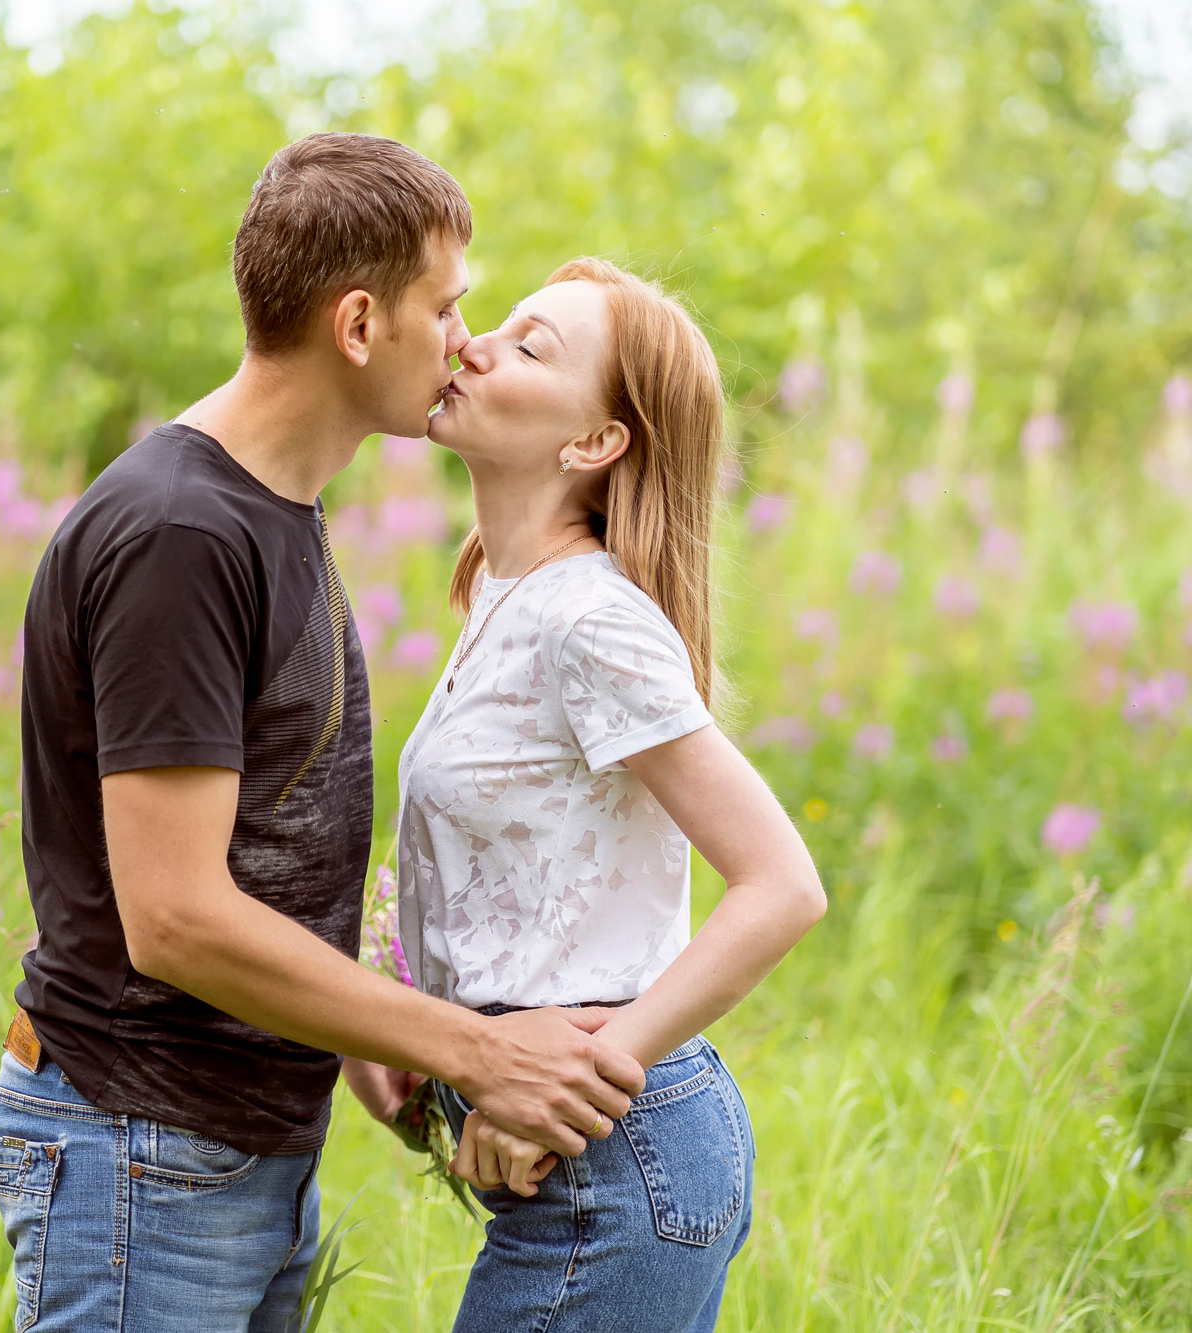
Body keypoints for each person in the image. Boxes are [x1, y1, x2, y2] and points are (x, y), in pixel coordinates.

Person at [0, 136, 647, 1333]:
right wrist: (472, 1051)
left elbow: (263, 835)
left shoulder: (270, 507)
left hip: (228, 1152)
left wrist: (352, 1037)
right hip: (142, 1155)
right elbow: (174, 916)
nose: (464, 341)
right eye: (444, 308)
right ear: (357, 325)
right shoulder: (183, 536)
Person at [345, 258, 828, 1331]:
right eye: (497, 322)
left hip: (618, 1167)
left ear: (594, 442)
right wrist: (411, 1038)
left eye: (529, 346)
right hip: (598, 1165)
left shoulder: (588, 620)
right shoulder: (508, 596)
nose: (472, 344)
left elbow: (782, 884)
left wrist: (578, 1083)